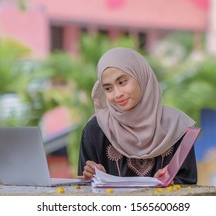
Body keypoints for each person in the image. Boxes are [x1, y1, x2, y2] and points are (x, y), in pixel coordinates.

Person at [78, 47, 197, 184]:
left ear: (141, 76)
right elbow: (82, 191)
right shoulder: (96, 130)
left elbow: (190, 187)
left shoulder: (177, 127)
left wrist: (171, 183)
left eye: (122, 82)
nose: (117, 94)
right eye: (108, 88)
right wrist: (95, 178)